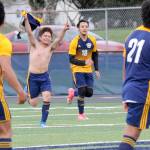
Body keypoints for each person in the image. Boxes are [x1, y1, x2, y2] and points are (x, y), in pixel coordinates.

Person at [24, 13, 69, 127]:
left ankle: (43, 122)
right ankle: (27, 93)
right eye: (45, 36)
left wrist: (64, 30)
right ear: (40, 37)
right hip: (32, 77)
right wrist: (26, 20)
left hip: (44, 77)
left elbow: (58, 39)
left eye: (49, 36)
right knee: (34, 103)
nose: (47, 37)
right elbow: (29, 32)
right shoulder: (34, 44)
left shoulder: (50, 48)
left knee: (47, 97)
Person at [119, 1, 150, 149]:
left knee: (130, 135)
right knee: (131, 134)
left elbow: (125, 66)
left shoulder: (132, 35)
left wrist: (126, 94)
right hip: (145, 91)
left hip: (133, 89)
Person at [0, 1, 26, 149]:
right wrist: (20, 92)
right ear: (3, 20)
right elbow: (6, 68)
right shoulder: (2, 42)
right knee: (5, 131)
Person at [67, 19, 100, 121]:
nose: (84, 28)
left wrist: (97, 69)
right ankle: (81, 114)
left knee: (89, 93)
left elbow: (95, 54)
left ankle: (73, 93)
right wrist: (84, 63)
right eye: (82, 26)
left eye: (86, 26)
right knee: (82, 89)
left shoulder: (92, 40)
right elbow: (71, 59)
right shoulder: (74, 41)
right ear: (78, 28)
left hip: (88, 70)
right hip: (77, 69)